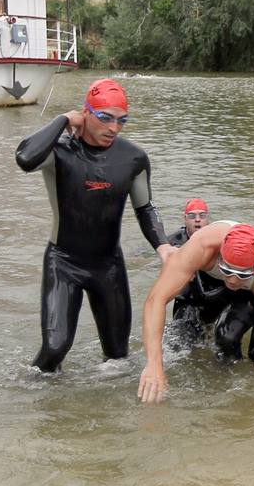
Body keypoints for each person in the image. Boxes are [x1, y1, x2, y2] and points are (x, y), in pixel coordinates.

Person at [14, 78, 174, 372]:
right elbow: (24, 158)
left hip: (109, 266)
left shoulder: (133, 158)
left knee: (117, 357)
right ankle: (40, 408)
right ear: (85, 113)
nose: (114, 128)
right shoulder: (58, 152)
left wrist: (162, 245)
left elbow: (145, 207)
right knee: (54, 349)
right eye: (105, 118)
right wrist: (62, 119)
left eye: (121, 120)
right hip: (63, 264)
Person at [138, 221, 254, 402]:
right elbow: (155, 301)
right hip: (209, 281)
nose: (233, 281)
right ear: (219, 257)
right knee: (182, 339)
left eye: (241, 274)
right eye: (227, 270)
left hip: (248, 292)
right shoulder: (201, 246)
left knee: (231, 340)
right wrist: (154, 365)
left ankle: (236, 393)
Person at [165, 198, 254, 363]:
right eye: (192, 216)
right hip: (193, 301)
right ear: (185, 219)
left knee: (226, 338)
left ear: (209, 220)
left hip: (225, 295)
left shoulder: (226, 246)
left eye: (202, 215)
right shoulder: (173, 242)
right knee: (180, 344)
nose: (197, 219)